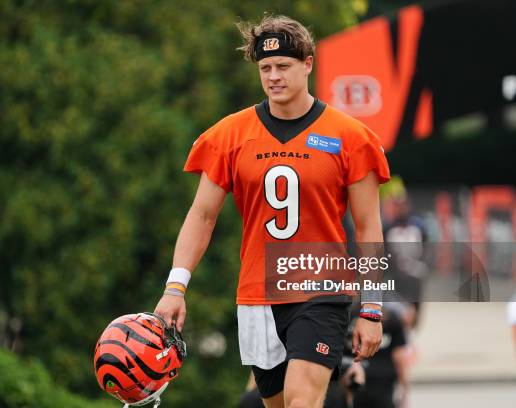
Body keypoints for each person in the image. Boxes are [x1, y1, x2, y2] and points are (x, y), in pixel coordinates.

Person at [154, 14, 390, 408]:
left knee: (303, 401)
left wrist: (372, 307)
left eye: (283, 66)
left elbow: (369, 227)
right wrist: (175, 287)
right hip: (257, 294)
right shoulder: (230, 134)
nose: (273, 76)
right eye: (265, 68)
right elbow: (202, 216)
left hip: (321, 291)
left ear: (308, 64)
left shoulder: (350, 137)